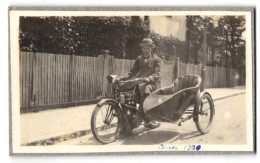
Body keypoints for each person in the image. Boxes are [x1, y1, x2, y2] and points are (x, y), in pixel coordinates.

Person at [122, 38, 162, 129]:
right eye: (143, 48)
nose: (145, 50)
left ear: (151, 48)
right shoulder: (139, 59)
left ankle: (139, 116)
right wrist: (125, 77)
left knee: (147, 88)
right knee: (126, 89)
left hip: (152, 83)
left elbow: (157, 74)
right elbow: (133, 72)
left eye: (147, 48)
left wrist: (149, 79)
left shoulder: (157, 59)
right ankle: (130, 112)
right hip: (140, 81)